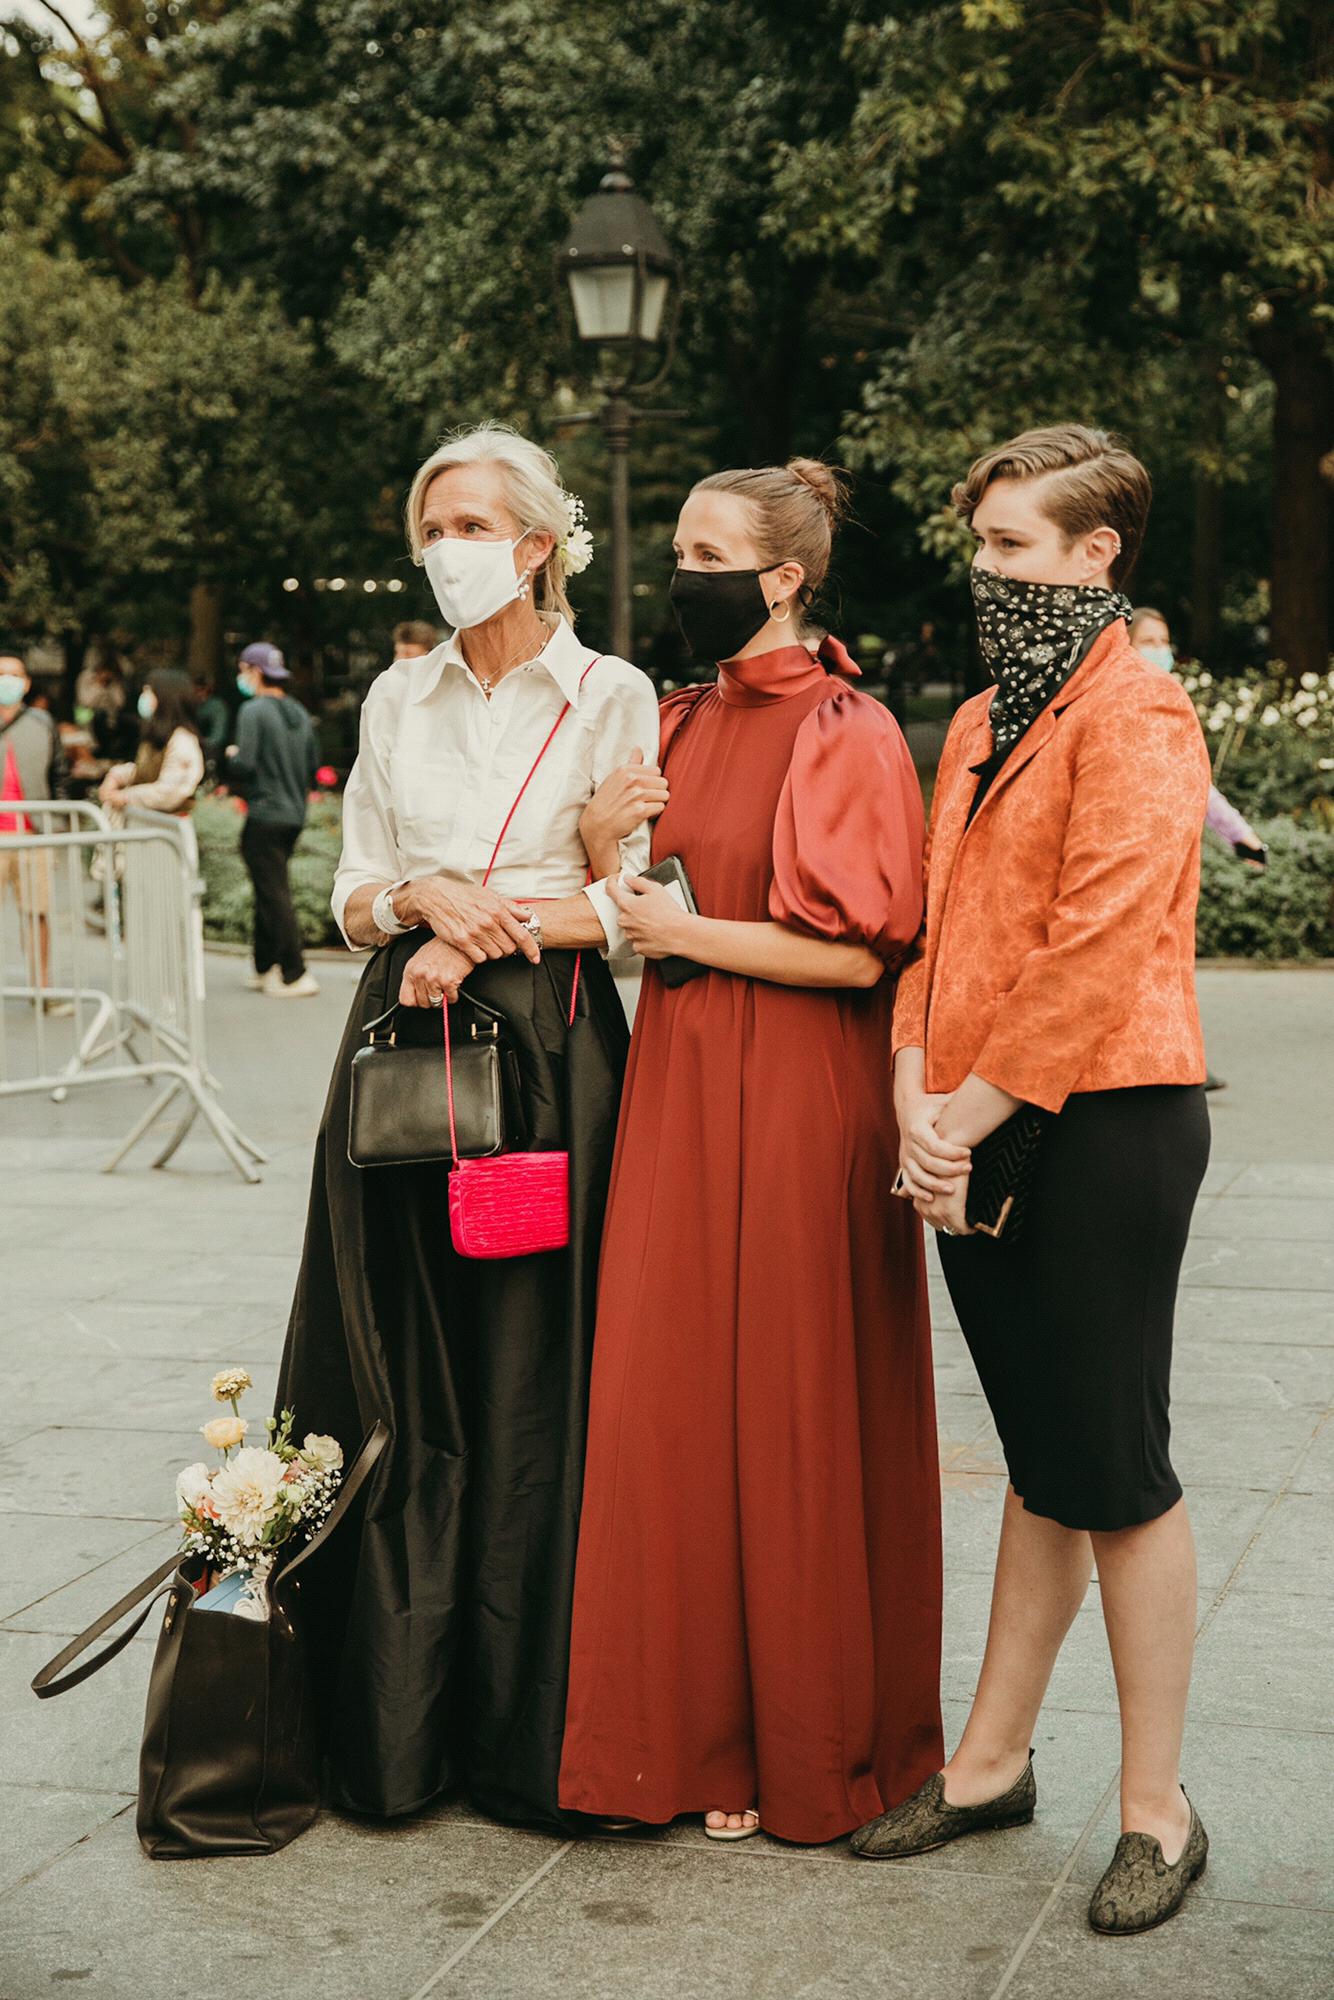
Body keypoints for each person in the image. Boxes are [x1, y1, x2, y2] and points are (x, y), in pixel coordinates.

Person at [853, 426, 1211, 1937]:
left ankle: (1156, 1810)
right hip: (973, 1113)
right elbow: (939, 935)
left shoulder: (1141, 712)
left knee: (1113, 1471)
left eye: (1011, 547)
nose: (987, 571)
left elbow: (1098, 943)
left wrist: (965, 1108)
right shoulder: (987, 716)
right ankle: (990, 1764)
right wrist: (912, 1090)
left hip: (1109, 1120)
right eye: (980, 546)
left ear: (1092, 554)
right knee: (1040, 1453)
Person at [274, 425, 659, 1827]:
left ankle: (528, 1733)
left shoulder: (613, 695)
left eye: (473, 523)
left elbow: (639, 901)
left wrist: (486, 925)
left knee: (532, 1364)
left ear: (539, 542)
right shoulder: (395, 698)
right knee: (400, 1357)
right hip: (404, 1051)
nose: (447, 549)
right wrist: (427, 903)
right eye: (431, 525)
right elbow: (353, 892)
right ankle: (391, 1722)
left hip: (551, 1050)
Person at [558, 459, 944, 1847]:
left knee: (783, 1401)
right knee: (668, 1398)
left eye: (707, 552)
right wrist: (607, 854)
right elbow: (637, 903)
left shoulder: (845, 729)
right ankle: (686, 1738)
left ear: (781, 578)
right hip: (681, 1079)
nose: (681, 573)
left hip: (793, 1097)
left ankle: (803, 1743)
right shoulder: (670, 716)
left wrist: (674, 937)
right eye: (675, 549)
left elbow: (850, 954)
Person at [1129, 608, 1268, 867]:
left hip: (1161, 848)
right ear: (1125, 647)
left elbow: (1192, 776)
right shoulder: (1115, 706)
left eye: (1164, 641)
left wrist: (1240, 835)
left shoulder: (1168, 704)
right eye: (1148, 642)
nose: (1159, 649)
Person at [226, 642, 321, 998]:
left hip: (265, 813)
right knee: (270, 887)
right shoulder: (297, 711)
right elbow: (313, 768)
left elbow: (245, 764)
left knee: (274, 893)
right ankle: (263, 966)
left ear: (255, 671)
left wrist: (231, 756)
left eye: (243, 669)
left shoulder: (253, 711)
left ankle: (295, 972)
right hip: (294, 814)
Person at [0, 651, 70, 1007]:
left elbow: (59, 775)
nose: (7, 681)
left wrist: (54, 824)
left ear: (26, 684)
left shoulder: (42, 723)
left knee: (37, 911)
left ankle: (42, 987)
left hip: (31, 833)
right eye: (1, 674)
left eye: (14, 675)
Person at [99, 669, 205, 846]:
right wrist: (116, 776)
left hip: (166, 840)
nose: (144, 697)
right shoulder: (157, 737)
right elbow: (146, 769)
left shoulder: (183, 741)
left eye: (149, 691)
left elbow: (169, 791)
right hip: (147, 834)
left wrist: (124, 797)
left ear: (165, 697)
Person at [192, 676, 231, 784]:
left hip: (211, 751)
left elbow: (218, 736)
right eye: (195, 691)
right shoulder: (191, 705)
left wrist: (200, 744)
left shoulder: (216, 706)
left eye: (201, 690)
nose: (198, 694)